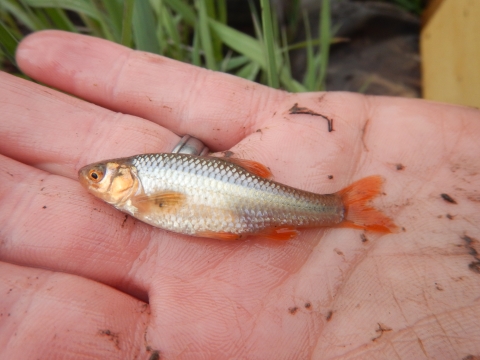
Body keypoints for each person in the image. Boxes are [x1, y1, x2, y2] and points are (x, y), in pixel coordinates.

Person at [0, 30, 479, 360]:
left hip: (243, 200)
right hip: (235, 203)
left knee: (325, 209)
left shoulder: (144, 191)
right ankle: (340, 208)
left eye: (102, 175)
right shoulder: (146, 187)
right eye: (100, 176)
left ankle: (341, 207)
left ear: (128, 178)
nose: (96, 179)